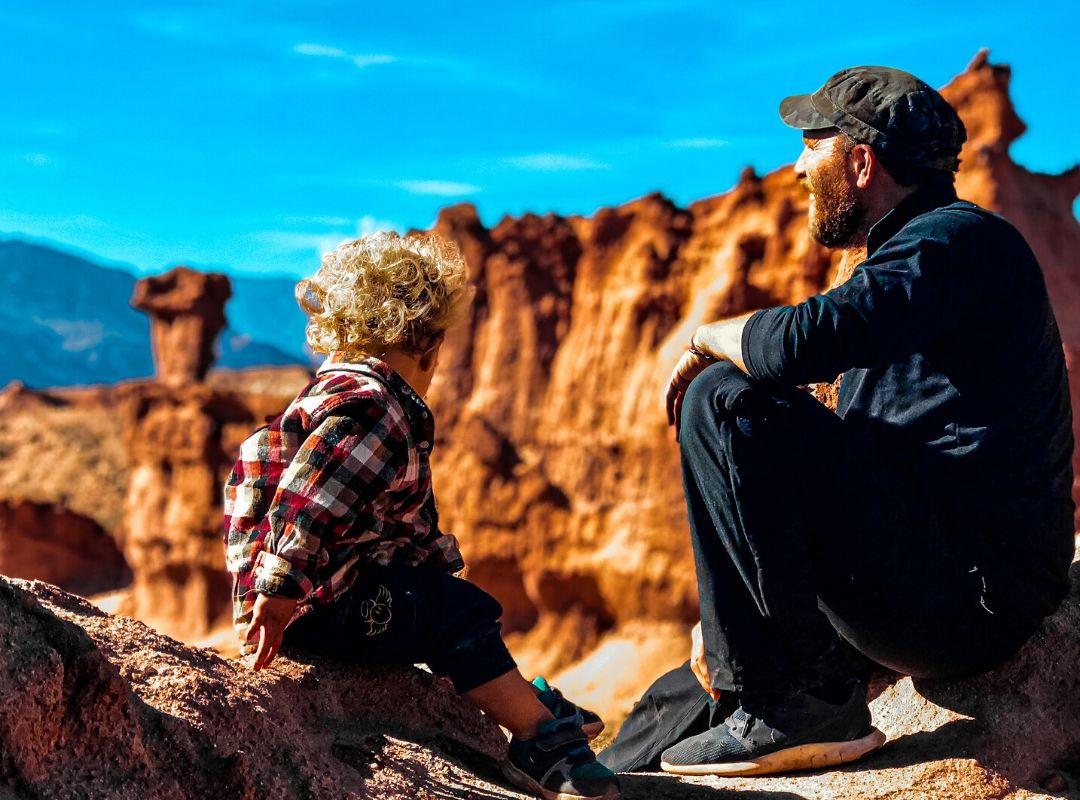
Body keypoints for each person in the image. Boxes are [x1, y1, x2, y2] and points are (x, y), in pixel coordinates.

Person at [600, 66, 1075, 777]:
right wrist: (737, 614)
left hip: (972, 597)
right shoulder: (913, 270)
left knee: (726, 397)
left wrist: (705, 337)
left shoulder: (957, 242)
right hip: (925, 573)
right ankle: (599, 776)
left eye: (812, 146)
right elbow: (832, 470)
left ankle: (797, 703)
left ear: (861, 161)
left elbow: (796, 346)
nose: (795, 167)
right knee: (675, 704)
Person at [224, 231, 620, 800]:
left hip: (306, 605)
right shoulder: (375, 408)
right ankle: (541, 738)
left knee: (432, 602)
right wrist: (282, 587)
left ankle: (526, 700)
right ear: (429, 345)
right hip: (322, 606)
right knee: (454, 614)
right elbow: (311, 500)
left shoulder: (318, 399)